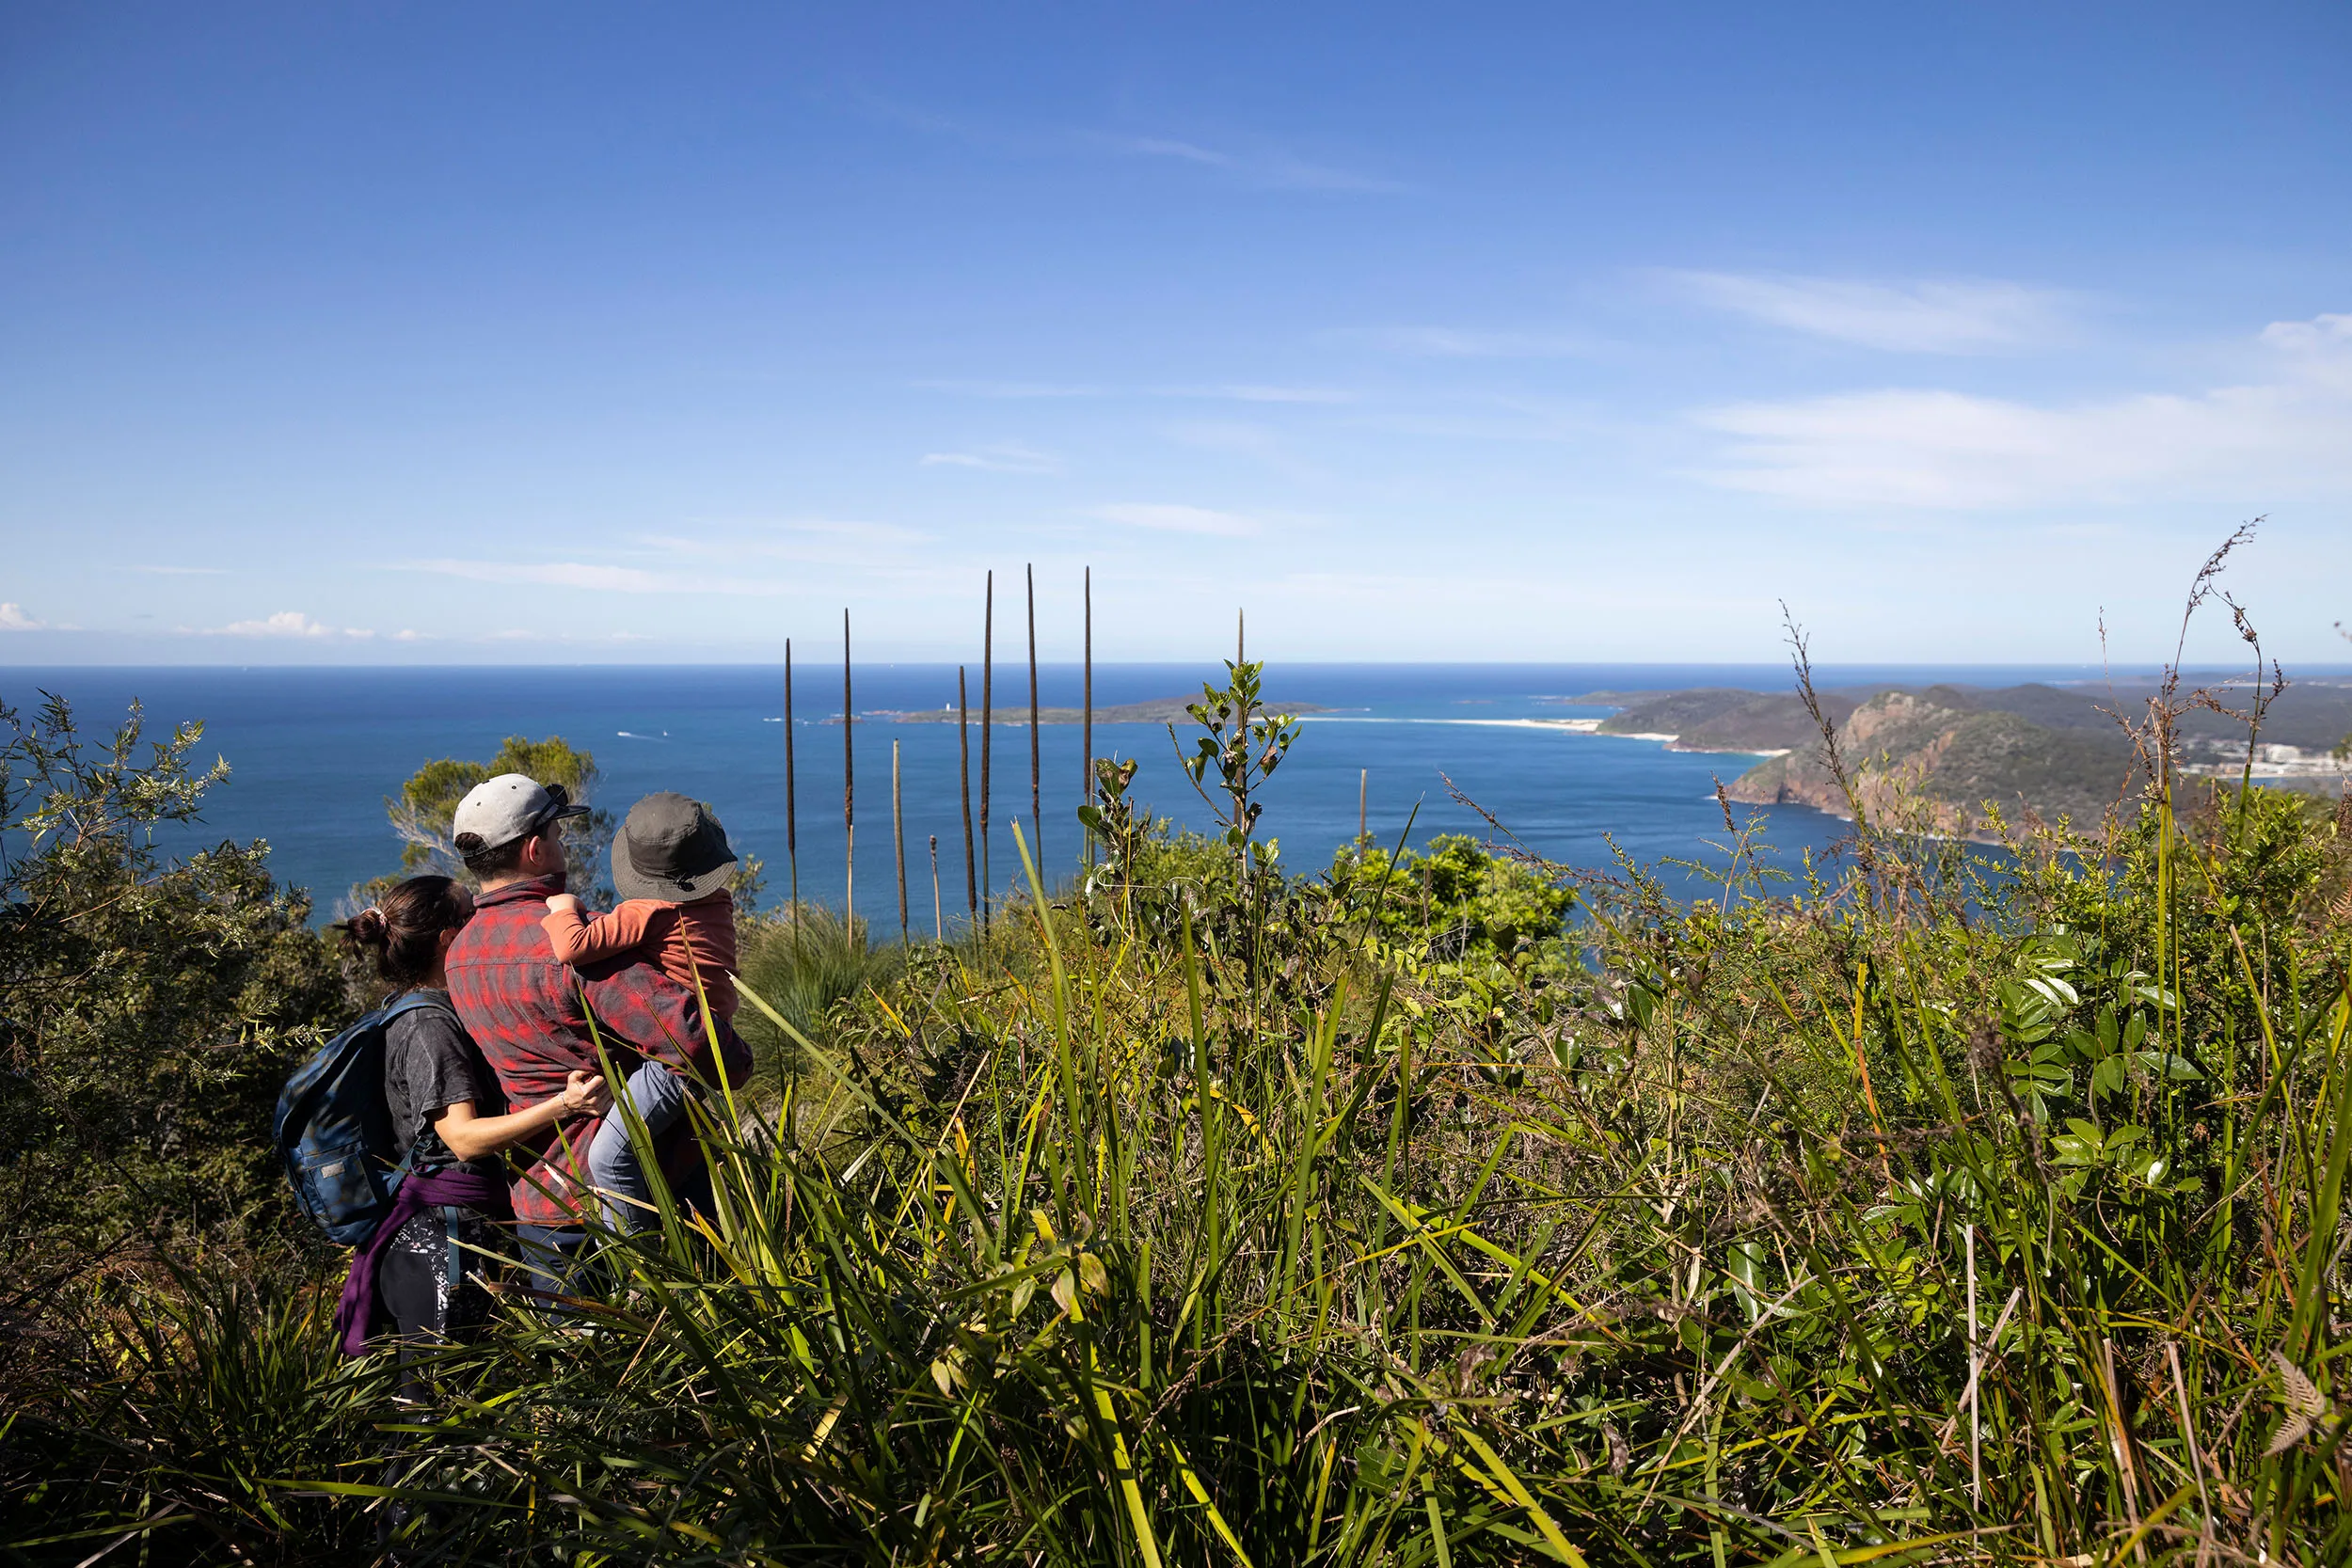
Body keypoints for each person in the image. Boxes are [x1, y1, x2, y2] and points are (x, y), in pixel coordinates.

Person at [441, 773, 753, 1292]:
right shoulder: (577, 950)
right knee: (692, 1352)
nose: (564, 845)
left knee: (578, 1365)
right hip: (651, 1190)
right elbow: (690, 1038)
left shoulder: (459, 957)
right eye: (559, 836)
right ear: (537, 849)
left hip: (541, 1204)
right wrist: (738, 1063)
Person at [331, 875, 612, 1392]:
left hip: (441, 1229)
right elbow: (461, 1138)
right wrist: (564, 1104)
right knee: (443, 1412)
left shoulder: (418, 1008)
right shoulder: (429, 1027)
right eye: (471, 916)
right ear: (447, 938)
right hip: (443, 1239)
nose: (484, 925)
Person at [540, 792, 740, 1233]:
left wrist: (562, 908)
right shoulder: (716, 900)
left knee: (608, 1158)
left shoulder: (648, 908)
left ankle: (641, 1268)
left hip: (677, 1055)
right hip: (713, 1035)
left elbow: (572, 948)